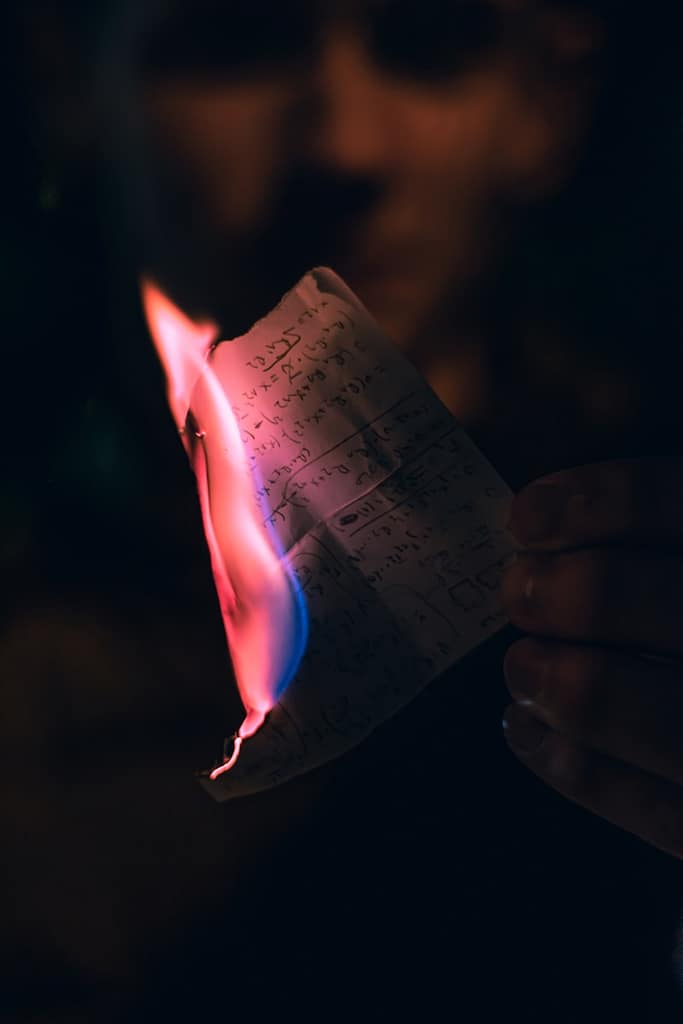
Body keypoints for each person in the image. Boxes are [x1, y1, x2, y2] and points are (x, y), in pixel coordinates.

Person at [5, 0, 682, 1019]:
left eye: (431, 48)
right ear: (64, 76)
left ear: (548, 101)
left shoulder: (648, 578)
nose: (343, 145)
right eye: (235, 42)